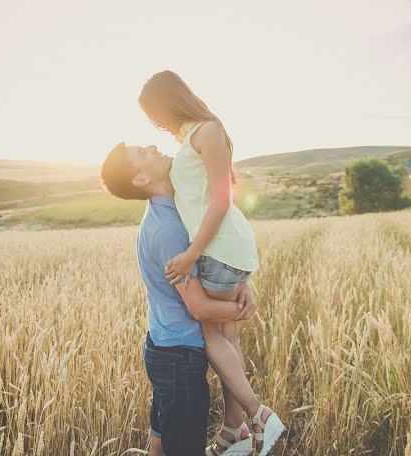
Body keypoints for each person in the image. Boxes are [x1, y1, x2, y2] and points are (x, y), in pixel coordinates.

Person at [138, 70, 285, 456]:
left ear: (168, 103)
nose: (155, 124)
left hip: (218, 247)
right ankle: (234, 429)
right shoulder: (191, 136)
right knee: (227, 337)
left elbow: (222, 200)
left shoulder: (207, 131)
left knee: (211, 335)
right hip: (220, 249)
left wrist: (190, 255)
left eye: (154, 114)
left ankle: (259, 416)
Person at [100, 142, 258, 456]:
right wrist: (239, 307)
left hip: (166, 347)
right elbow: (198, 307)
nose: (152, 146)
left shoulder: (176, 209)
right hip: (178, 357)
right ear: (141, 180)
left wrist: (242, 283)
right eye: (142, 153)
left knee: (160, 446)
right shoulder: (169, 229)